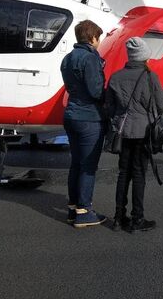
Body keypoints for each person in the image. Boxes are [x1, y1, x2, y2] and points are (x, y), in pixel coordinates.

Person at [105, 37, 163, 232]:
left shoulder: (115, 77)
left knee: (124, 174)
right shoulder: (150, 77)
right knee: (139, 175)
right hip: (143, 132)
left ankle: (118, 217)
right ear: (144, 57)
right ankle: (137, 218)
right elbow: (161, 105)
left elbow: (109, 107)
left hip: (123, 132)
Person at [60, 20, 107, 228]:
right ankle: (85, 211)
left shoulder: (67, 58)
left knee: (76, 163)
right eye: (99, 37)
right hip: (88, 117)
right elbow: (96, 91)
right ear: (92, 37)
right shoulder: (90, 58)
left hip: (71, 114)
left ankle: (73, 208)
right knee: (88, 166)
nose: (99, 41)